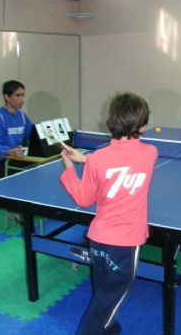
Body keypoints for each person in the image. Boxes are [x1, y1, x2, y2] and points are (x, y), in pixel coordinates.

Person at [59, 92, 158, 335]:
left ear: (110, 122)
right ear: (143, 126)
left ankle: (109, 330)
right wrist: (86, 161)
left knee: (103, 294)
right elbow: (123, 163)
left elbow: (84, 199)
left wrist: (71, 169)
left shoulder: (98, 159)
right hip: (126, 245)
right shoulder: (150, 154)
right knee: (108, 303)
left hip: (98, 241)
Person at [0, 80, 33, 179]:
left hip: (17, 158)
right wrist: (9, 151)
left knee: (37, 169)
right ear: (7, 97)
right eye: (18, 95)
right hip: (0, 163)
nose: (22, 99)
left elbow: (33, 136)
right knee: (27, 176)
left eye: (23, 95)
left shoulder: (22, 116)